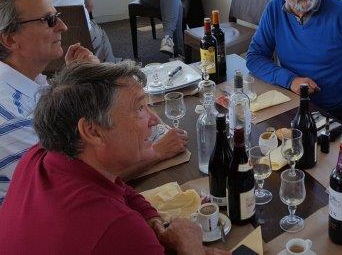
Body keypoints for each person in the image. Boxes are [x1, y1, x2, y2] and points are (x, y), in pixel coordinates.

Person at [0, 61, 227, 255]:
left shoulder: (39, 155)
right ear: (92, 131)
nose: (154, 120)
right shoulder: (117, 228)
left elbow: (115, 184)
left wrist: (153, 220)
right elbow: (117, 228)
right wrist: (191, 247)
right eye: (140, 108)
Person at [0, 0, 188, 203]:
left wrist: (77, 80)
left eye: (57, 17)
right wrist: (156, 152)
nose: (63, 26)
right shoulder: (10, 118)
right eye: (49, 20)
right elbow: (66, 188)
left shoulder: (28, 82)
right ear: (10, 40)